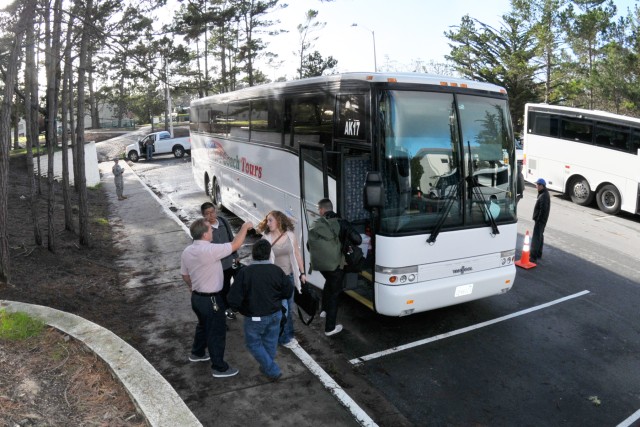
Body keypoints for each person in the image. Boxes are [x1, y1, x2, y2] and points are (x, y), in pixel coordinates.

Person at [180, 217, 253, 378]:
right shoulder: (209, 250)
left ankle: (197, 353)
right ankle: (219, 367)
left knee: (203, 326)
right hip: (211, 300)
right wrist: (245, 227)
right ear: (205, 234)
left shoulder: (188, 251)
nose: (213, 230)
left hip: (197, 299)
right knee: (216, 332)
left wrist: (193, 287)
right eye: (210, 229)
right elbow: (235, 245)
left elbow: (185, 275)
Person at [227, 240, 293, 381]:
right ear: (269, 254)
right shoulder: (277, 271)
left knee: (253, 343)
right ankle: (266, 367)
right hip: (275, 314)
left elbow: (233, 298)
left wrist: (241, 309)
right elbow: (288, 292)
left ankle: (272, 369)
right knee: (270, 342)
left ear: (253, 254)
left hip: (255, 317)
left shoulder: (246, 273)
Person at [309, 199, 361, 337]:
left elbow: (310, 245)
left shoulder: (316, 224)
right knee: (334, 293)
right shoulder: (341, 223)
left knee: (329, 283)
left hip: (319, 265)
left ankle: (324, 310)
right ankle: (330, 328)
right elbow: (358, 240)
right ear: (331, 208)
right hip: (335, 265)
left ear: (321, 210)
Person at [256, 210, 306, 348]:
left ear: (279, 221)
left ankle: (284, 336)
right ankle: (285, 338)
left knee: (288, 309)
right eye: (267, 220)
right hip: (275, 281)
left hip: (289, 278)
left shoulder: (290, 236)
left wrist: (302, 273)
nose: (268, 223)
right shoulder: (266, 239)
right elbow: (260, 259)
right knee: (283, 309)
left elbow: (297, 254)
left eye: (270, 220)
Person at [201, 202, 238, 320]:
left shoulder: (223, 222)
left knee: (235, 284)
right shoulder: (203, 229)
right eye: (207, 213)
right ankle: (223, 312)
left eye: (212, 212)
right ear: (203, 215)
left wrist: (235, 255)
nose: (211, 215)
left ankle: (231, 307)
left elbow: (232, 239)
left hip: (229, 262)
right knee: (221, 290)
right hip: (217, 266)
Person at [530, 178, 550, 263]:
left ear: (542, 186)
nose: (536, 186)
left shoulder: (544, 195)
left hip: (540, 220)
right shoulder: (543, 193)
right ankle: (538, 253)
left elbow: (543, 209)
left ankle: (533, 257)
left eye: (538, 185)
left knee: (536, 238)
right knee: (540, 236)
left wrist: (538, 219)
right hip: (542, 220)